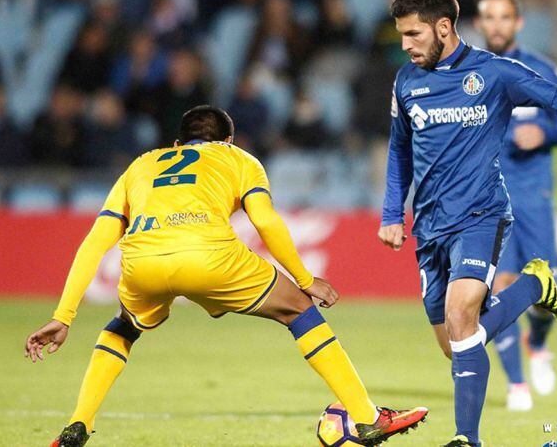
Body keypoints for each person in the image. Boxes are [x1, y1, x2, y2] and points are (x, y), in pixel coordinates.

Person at [24, 106, 428, 447]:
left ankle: (79, 423)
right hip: (211, 257)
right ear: (229, 141)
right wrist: (305, 280)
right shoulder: (240, 160)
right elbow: (265, 222)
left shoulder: (142, 164)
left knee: (122, 328)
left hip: (143, 262)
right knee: (299, 310)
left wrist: (64, 316)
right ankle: (366, 417)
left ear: (178, 144)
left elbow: (95, 242)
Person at [379, 0, 557, 446]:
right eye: (402, 34)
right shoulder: (406, 80)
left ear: (443, 28)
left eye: (413, 34)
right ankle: (534, 287)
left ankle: (467, 438)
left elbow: (553, 95)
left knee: (461, 316)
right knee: (456, 345)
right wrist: (392, 213)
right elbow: (399, 149)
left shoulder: (493, 73)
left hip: (481, 216)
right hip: (430, 226)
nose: (405, 44)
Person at [475, 0, 557, 411]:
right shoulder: (469, 74)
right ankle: (517, 384)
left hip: (533, 196)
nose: (497, 25)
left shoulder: (541, 69)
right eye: (489, 17)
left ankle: (536, 344)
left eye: (505, 17)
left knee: (543, 291)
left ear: (518, 23)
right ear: (479, 23)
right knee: (499, 287)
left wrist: (544, 134)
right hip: (489, 200)